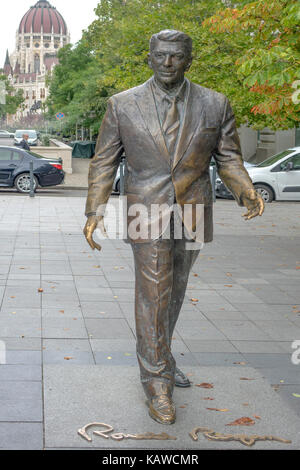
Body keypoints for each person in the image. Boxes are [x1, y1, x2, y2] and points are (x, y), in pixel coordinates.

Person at [83, 30, 264, 425]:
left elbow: (229, 158)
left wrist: (245, 189)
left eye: (176, 56)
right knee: (154, 289)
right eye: (161, 56)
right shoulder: (122, 105)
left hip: (195, 209)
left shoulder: (215, 104)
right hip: (144, 211)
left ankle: (160, 355)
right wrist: (94, 209)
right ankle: (156, 381)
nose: (168, 63)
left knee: (174, 290)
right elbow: (103, 161)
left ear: (188, 59)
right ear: (149, 57)